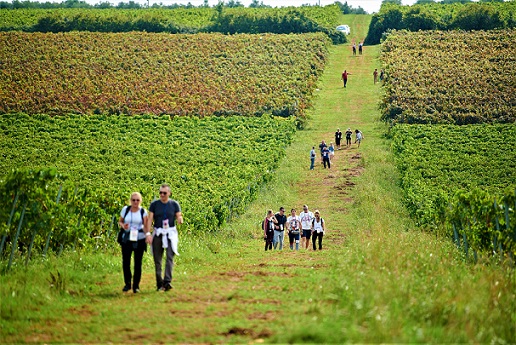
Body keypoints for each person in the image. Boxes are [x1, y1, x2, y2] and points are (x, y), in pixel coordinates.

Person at [146, 184, 183, 292]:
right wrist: (148, 233)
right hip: (158, 233)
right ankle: (159, 283)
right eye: (160, 193)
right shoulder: (154, 205)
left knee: (170, 257)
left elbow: (179, 215)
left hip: (170, 234)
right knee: (157, 259)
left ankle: (167, 282)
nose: (162, 195)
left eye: (164, 193)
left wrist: (180, 219)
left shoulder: (174, 204)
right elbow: (150, 219)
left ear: (169, 193)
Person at [118, 192, 148, 293]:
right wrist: (123, 226)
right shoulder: (125, 210)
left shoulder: (143, 212)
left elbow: (147, 225)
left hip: (139, 239)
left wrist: (148, 235)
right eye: (133, 200)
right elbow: (120, 221)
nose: (135, 202)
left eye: (137, 200)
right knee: (126, 262)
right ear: (130, 200)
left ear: (140, 201)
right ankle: (127, 284)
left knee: (138, 263)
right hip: (126, 239)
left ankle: (136, 286)